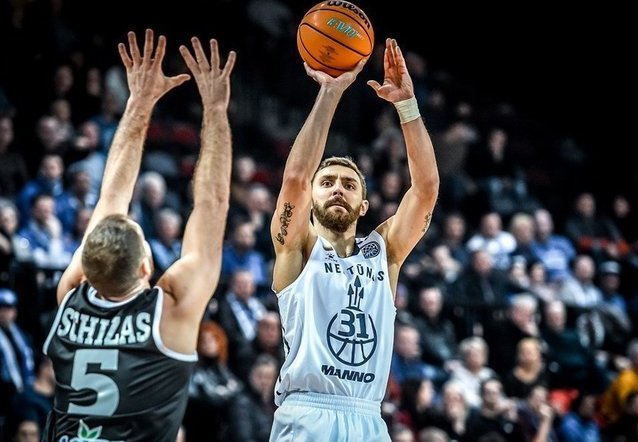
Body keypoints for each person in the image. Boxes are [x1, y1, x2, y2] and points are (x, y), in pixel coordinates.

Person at [40, 29, 236, 441]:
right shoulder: (169, 313)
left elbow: (110, 197)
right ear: (147, 266)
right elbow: (212, 203)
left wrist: (138, 103)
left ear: (87, 267)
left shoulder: (70, 296)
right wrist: (216, 109)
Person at [268, 38, 440, 441]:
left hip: (368, 418)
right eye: (327, 182)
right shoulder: (299, 246)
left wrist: (407, 105)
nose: (337, 189)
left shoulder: (384, 252)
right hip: (306, 412)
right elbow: (295, 178)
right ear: (312, 199)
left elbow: (426, 189)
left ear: (364, 205)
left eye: (348, 184)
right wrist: (330, 91)